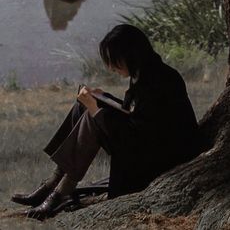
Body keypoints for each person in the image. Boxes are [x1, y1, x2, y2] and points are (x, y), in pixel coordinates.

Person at [11, 24, 202, 219]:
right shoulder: (143, 71)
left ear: (131, 54)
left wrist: (96, 109)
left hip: (160, 158)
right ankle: (51, 184)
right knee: (83, 106)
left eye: (114, 61)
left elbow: (144, 133)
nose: (111, 67)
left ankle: (61, 192)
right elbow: (139, 116)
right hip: (144, 144)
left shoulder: (161, 79)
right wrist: (104, 99)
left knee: (92, 116)